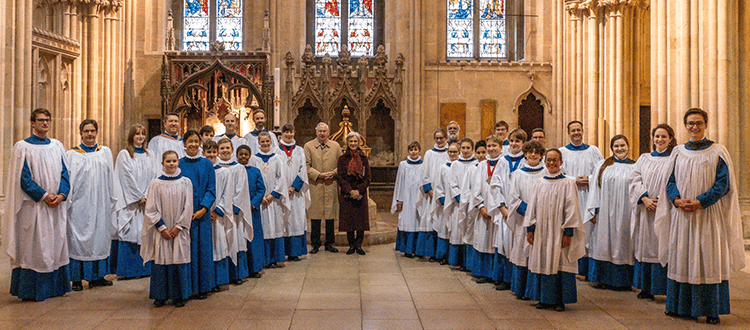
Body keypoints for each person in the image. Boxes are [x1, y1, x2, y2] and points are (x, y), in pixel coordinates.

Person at [656, 108, 745, 324]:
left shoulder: (718, 151)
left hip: (707, 215)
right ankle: (679, 306)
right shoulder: (677, 151)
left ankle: (711, 310)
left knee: (707, 260)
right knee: (682, 257)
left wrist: (700, 201)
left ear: (706, 124)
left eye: (698, 123)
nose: (694, 127)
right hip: (682, 216)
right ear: (685, 126)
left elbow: (723, 184)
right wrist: (676, 199)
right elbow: (670, 181)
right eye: (690, 123)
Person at [4, 108, 71, 301]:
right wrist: (43, 195)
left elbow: (65, 173)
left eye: (47, 120)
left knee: (55, 245)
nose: (45, 123)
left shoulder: (57, 146)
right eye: (41, 120)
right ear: (32, 123)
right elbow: (23, 179)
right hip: (34, 207)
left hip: (56, 206)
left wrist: (61, 195)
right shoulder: (22, 147)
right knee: (35, 248)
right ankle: (32, 290)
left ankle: (56, 288)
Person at [524, 148, 585, 312]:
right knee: (543, 260)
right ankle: (544, 299)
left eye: (555, 160)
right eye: (549, 160)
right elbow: (532, 207)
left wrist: (568, 233)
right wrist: (530, 229)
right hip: (542, 231)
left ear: (561, 162)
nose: (552, 163)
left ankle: (560, 300)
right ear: (545, 162)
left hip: (560, 231)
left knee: (560, 263)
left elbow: (572, 210)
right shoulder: (539, 183)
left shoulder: (567, 183)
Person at [66, 119, 116, 291]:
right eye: (86, 131)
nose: (89, 134)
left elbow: (111, 177)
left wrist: (112, 199)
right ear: (80, 133)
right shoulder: (71, 154)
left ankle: (97, 276)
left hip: (101, 203)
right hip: (80, 204)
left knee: (99, 238)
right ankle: (77, 278)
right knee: (79, 239)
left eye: (92, 131)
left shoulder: (105, 152)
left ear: (97, 132)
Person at [629, 124, 676, 300]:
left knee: (663, 245)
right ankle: (646, 288)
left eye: (664, 136)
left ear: (670, 139)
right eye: (657, 136)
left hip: (666, 209)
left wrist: (663, 201)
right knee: (645, 247)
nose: (660, 140)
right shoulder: (644, 158)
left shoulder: (674, 158)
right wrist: (645, 199)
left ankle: (663, 288)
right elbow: (634, 179)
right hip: (646, 209)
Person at [141, 150, 193, 308]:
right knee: (161, 261)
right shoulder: (156, 183)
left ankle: (179, 295)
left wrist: (178, 227)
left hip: (179, 230)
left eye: (174, 161)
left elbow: (188, 206)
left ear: (178, 162)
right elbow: (150, 208)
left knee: (179, 259)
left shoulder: (185, 182)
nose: (171, 164)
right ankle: (160, 295)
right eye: (168, 161)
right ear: (162, 163)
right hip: (161, 231)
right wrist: (161, 227)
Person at [586, 135, 636, 290]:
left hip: (626, 212)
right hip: (605, 211)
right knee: (604, 242)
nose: (620, 149)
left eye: (622, 145)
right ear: (611, 148)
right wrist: (594, 210)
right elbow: (595, 188)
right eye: (616, 146)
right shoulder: (603, 165)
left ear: (628, 146)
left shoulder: (636, 166)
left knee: (623, 243)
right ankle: (602, 278)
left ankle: (623, 281)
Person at [111, 124, 158, 279]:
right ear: (131, 136)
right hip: (131, 202)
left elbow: (154, 175)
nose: (140, 137)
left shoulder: (150, 154)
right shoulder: (125, 154)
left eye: (143, 134)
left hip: (147, 200)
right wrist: (138, 196)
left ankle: (145, 270)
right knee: (131, 233)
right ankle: (128, 271)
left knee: (145, 233)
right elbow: (126, 177)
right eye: (137, 134)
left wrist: (148, 195)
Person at [558, 120, 603, 278]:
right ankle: (571, 267)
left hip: (589, 196)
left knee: (588, 232)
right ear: (568, 132)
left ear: (583, 131)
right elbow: (557, 173)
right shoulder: (561, 152)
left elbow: (601, 171)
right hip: (570, 196)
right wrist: (573, 180)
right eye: (573, 130)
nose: (576, 133)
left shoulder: (593, 150)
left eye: (578, 130)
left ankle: (587, 270)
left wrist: (589, 179)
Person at [178, 130, 216, 300]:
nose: (193, 144)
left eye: (196, 141)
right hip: (182, 211)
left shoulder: (207, 164)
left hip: (202, 212)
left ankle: (202, 287)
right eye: (190, 141)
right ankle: (185, 287)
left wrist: (203, 208)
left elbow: (211, 189)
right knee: (185, 250)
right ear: (184, 144)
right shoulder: (178, 164)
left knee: (202, 249)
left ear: (200, 143)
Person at [506, 141, 546, 299]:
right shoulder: (518, 174)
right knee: (523, 250)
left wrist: (539, 213)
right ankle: (522, 289)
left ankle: (536, 290)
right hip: (523, 220)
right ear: (525, 154)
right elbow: (513, 198)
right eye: (530, 152)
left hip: (543, 220)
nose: (533, 155)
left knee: (539, 253)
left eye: (537, 152)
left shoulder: (546, 173)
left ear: (541, 155)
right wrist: (530, 212)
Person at [213, 138, 254, 285]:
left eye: (227, 148)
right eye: (222, 148)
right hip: (217, 212)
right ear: (218, 150)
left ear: (232, 150)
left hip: (234, 213)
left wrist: (232, 208)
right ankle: (221, 277)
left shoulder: (239, 168)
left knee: (235, 240)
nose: (224, 151)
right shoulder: (213, 167)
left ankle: (237, 274)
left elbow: (241, 190)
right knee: (219, 242)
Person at [469, 136, 509, 285]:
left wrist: (502, 206)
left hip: (499, 210)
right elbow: (476, 187)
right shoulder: (481, 165)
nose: (491, 149)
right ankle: (483, 273)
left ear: (500, 147)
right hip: (484, 209)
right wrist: (480, 206)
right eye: (489, 146)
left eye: (494, 146)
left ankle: (497, 274)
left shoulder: (504, 164)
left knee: (498, 242)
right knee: (483, 240)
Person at [250, 132, 289, 267]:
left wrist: (273, 194)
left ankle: (276, 257)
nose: (265, 144)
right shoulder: (254, 159)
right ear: (258, 143)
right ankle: (265, 259)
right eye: (263, 142)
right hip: (261, 200)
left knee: (276, 226)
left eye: (267, 141)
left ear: (271, 142)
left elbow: (281, 177)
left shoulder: (277, 158)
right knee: (264, 227)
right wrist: (260, 196)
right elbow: (252, 178)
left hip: (274, 200)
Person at [304, 122, 342, 254]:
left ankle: (330, 243)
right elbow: (306, 166)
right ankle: (315, 243)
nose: (322, 134)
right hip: (316, 185)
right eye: (319, 131)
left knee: (330, 216)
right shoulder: (308, 146)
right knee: (316, 216)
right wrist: (319, 175)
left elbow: (341, 164)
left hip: (331, 184)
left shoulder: (336, 146)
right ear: (316, 132)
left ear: (328, 132)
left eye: (324, 131)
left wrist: (334, 172)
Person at [275, 123, 310, 262]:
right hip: (282, 193)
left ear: (294, 133)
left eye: (291, 132)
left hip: (296, 193)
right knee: (283, 220)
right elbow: (275, 172)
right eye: (286, 132)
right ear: (281, 134)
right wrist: (283, 188)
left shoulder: (299, 150)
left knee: (296, 220)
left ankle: (295, 252)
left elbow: (303, 170)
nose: (289, 135)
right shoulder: (276, 151)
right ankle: (282, 252)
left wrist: (294, 187)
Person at [393, 141, 430, 258]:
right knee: (408, 222)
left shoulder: (424, 164)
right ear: (408, 151)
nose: (413, 152)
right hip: (406, 198)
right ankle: (408, 249)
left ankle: (419, 250)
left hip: (420, 198)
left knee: (419, 223)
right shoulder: (403, 165)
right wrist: (399, 200)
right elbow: (399, 182)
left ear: (420, 151)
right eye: (411, 150)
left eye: (416, 149)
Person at [337, 132, 371, 255]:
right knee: (349, 221)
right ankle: (351, 245)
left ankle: (359, 245)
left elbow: (368, 178)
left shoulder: (363, 158)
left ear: (359, 142)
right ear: (347, 143)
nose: (353, 144)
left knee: (360, 221)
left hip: (360, 193)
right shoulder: (342, 159)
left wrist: (358, 190)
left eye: (355, 141)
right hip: (347, 194)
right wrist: (350, 191)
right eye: (350, 141)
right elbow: (340, 177)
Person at [202, 141, 230, 289]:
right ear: (203, 154)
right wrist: (204, 210)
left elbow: (227, 194)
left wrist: (217, 210)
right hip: (203, 214)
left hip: (217, 215)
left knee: (218, 244)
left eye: (214, 152)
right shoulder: (202, 170)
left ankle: (218, 280)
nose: (211, 155)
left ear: (218, 153)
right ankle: (206, 281)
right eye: (208, 152)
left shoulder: (224, 172)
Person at [237, 145, 267, 277]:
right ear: (236, 155)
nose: (243, 157)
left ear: (249, 156)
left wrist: (253, 203)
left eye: (246, 154)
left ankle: (255, 268)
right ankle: (241, 270)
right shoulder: (234, 170)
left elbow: (261, 189)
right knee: (239, 239)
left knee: (253, 239)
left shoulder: (255, 171)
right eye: (241, 154)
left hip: (252, 210)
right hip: (238, 211)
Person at [420, 128, 450, 260]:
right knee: (430, 219)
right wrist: (429, 190)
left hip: (447, 194)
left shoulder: (451, 152)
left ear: (446, 138)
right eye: (436, 138)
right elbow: (424, 173)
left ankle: (443, 254)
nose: (439, 141)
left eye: (441, 138)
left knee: (444, 222)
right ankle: (431, 253)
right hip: (431, 195)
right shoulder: (429, 154)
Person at [447, 138, 476, 268]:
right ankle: (457, 261)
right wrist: (461, 199)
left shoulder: (476, 164)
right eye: (463, 148)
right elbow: (452, 183)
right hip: (458, 204)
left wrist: (471, 200)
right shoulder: (455, 165)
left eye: (467, 148)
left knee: (471, 232)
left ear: (472, 149)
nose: (465, 151)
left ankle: (469, 263)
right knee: (458, 231)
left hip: (473, 204)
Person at [433, 142, 460, 264]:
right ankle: (443, 256)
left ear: (459, 152)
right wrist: (444, 200)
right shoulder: (443, 168)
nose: (452, 154)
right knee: (444, 230)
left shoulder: (462, 166)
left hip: (459, 205)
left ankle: (455, 258)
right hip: (446, 205)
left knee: (457, 231)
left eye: (455, 152)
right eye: (450, 152)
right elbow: (438, 186)